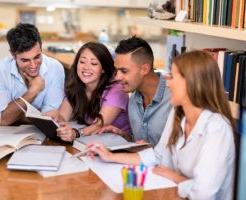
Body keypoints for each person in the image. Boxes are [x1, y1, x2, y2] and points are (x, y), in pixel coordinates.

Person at [88, 50, 236, 199]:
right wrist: (110, 156)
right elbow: (157, 156)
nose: (168, 84)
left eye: (172, 76)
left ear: (191, 83)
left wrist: (176, 177)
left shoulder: (217, 128)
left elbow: (203, 193)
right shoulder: (178, 114)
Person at [47, 42, 131, 142]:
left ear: (103, 68)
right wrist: (55, 117)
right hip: (93, 141)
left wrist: (75, 133)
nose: (86, 67)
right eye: (82, 62)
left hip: (119, 144)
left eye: (94, 63)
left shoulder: (117, 88)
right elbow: (63, 118)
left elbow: (99, 125)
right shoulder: (76, 86)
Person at [100, 36, 172, 145]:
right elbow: (140, 142)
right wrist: (123, 135)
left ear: (145, 69)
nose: (117, 77)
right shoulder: (134, 99)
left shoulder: (174, 97)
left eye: (124, 71)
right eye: (117, 71)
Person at [0, 23, 65, 126]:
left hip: (44, 133)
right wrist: (32, 92)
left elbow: (50, 118)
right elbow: (3, 119)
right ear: (13, 55)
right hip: (9, 134)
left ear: (41, 48)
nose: (33, 66)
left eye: (37, 57)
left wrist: (16, 114)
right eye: (25, 60)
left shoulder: (55, 68)